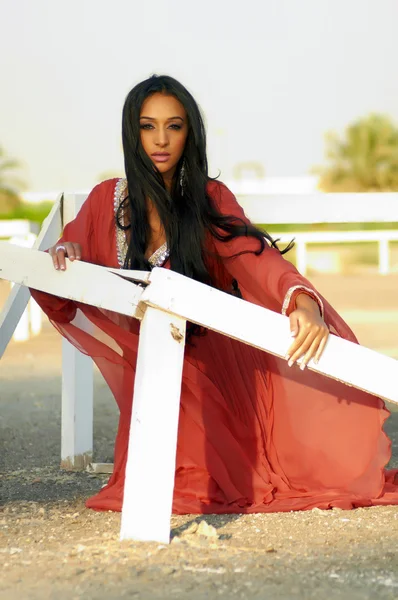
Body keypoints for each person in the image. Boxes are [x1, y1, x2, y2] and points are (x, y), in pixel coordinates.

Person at [30, 75, 398, 514]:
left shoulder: (209, 198)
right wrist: (67, 253)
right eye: (148, 126)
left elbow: (256, 258)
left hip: (212, 366)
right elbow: (63, 281)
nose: (161, 140)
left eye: (175, 126)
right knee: (160, 486)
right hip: (149, 372)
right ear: (132, 131)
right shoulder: (105, 200)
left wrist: (301, 300)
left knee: (204, 488)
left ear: (190, 132)